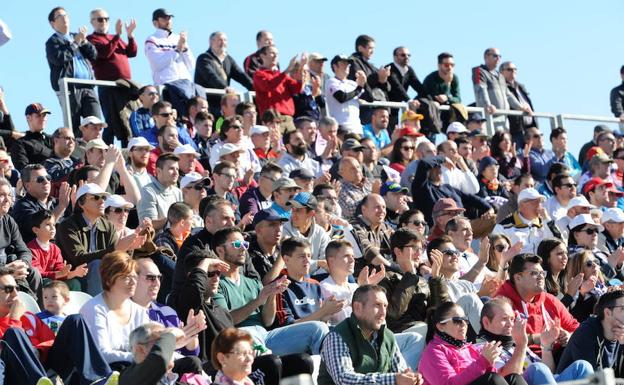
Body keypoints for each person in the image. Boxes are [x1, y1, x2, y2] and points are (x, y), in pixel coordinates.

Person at [212, 227, 330, 356]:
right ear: (220, 250)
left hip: (265, 335)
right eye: (237, 244)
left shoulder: (253, 282)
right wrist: (258, 300)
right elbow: (226, 320)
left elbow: (268, 321)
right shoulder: (215, 284)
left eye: (245, 244)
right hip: (240, 337)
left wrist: (272, 294)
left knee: (319, 329)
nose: (243, 248)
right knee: (263, 353)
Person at [0, 267, 119, 385]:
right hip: (17, 372)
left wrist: (38, 350)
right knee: (13, 333)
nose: (16, 294)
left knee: (75, 320)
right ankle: (38, 381)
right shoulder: (18, 315)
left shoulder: (29, 316)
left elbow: (50, 341)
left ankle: (97, 379)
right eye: (8, 289)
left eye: (17, 288)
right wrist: (14, 319)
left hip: (45, 366)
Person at [318, 284, 423, 385]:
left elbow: (400, 372)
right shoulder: (337, 336)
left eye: (385, 306)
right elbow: (344, 379)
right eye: (377, 305)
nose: (383, 312)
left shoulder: (388, 336)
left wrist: (410, 379)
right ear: (358, 308)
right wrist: (394, 380)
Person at [478, 297, 594, 385]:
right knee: (537, 368)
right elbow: (508, 378)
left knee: (582, 366)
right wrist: (521, 345)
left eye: (512, 319)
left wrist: (546, 346)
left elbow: (549, 373)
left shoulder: (515, 344)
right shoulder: (483, 348)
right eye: (504, 319)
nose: (510, 324)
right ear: (486, 322)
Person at [56, 183, 145, 295]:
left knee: (141, 266)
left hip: (104, 276)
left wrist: (129, 248)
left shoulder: (108, 225)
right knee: (97, 264)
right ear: (81, 203)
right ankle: (97, 308)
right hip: (75, 277)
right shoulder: (68, 225)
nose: (102, 201)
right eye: (96, 197)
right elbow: (79, 259)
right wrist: (116, 249)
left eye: (103, 197)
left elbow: (116, 259)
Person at [420, 301, 526, 385]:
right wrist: (483, 361)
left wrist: (490, 363)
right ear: (441, 326)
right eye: (457, 320)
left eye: (465, 320)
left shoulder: (468, 348)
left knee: (513, 378)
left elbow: (489, 374)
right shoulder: (434, 351)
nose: (463, 324)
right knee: (492, 379)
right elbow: (448, 383)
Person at [495, 253, 579, 355]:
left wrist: (569, 336)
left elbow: (576, 328)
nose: (541, 277)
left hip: (556, 356)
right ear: (518, 278)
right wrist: (535, 338)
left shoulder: (549, 300)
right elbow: (500, 338)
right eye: (534, 273)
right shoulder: (501, 303)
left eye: (542, 273)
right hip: (522, 362)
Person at [132, 257, 206, 372]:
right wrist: (171, 344)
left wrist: (192, 334)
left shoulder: (167, 311)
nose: (157, 283)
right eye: (151, 278)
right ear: (134, 279)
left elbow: (190, 353)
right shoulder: (125, 312)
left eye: (159, 278)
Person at [80, 251, 151, 370]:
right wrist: (138, 358)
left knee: (191, 362)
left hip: (135, 369)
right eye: (126, 277)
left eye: (134, 277)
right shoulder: (94, 309)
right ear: (108, 280)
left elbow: (149, 348)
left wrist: (172, 344)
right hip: (109, 372)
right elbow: (102, 354)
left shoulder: (139, 312)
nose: (133, 282)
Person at [45, 7, 102, 136]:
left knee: (95, 122)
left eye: (66, 15)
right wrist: (76, 43)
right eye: (59, 16)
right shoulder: (52, 42)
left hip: (88, 86)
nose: (64, 18)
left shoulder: (76, 36)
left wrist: (85, 41)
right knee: (74, 125)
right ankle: (77, 153)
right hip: (70, 88)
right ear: (52, 23)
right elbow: (59, 59)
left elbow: (93, 55)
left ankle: (96, 150)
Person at [86, 8, 138, 145]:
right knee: (112, 122)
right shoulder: (91, 39)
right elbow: (103, 54)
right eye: (100, 19)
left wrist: (130, 36)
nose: (104, 22)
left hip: (125, 86)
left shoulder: (114, 38)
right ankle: (105, 154)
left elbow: (132, 52)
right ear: (92, 22)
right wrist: (117, 36)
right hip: (109, 87)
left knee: (128, 121)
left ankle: (128, 153)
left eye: (106, 19)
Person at [557, 289, 624, 376]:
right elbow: (592, 379)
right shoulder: (586, 333)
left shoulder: (621, 336)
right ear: (608, 313)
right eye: (623, 308)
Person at [145, 8, 196, 117]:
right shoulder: (152, 40)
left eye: (170, 18)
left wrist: (184, 48)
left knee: (192, 120)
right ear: (155, 22)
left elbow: (191, 65)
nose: (168, 20)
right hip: (168, 89)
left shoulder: (178, 38)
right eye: (164, 18)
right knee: (175, 120)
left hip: (186, 87)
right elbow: (158, 64)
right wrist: (177, 50)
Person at [194, 31, 253, 117]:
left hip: (223, 104)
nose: (223, 43)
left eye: (225, 40)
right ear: (211, 42)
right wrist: (224, 87)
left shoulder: (228, 59)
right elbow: (211, 76)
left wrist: (255, 87)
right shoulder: (203, 58)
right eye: (220, 40)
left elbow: (241, 76)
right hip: (208, 103)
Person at [29, 210, 87, 291]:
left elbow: (60, 269)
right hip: (41, 284)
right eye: (48, 224)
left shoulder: (55, 249)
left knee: (74, 283)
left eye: (53, 224)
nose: (53, 228)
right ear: (36, 230)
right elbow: (38, 274)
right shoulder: (31, 249)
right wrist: (60, 273)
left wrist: (72, 273)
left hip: (55, 281)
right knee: (48, 282)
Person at [11, 164, 70, 243]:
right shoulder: (22, 207)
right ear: (28, 186)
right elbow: (40, 229)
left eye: (48, 178)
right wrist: (61, 207)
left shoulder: (57, 202)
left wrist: (76, 205)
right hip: (35, 253)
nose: (46, 182)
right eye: (40, 179)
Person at [121, 323, 190, 385]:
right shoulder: (129, 378)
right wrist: (171, 334)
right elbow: (159, 360)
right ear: (141, 349)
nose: (169, 346)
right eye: (161, 341)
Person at [492, 188, 555, 254]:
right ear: (522, 205)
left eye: (540, 202)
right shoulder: (502, 227)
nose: (539, 206)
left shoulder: (545, 223)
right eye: (535, 202)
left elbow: (558, 242)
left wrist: (547, 220)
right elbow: (496, 254)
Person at [253, 45, 303, 127]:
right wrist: (287, 71)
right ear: (262, 56)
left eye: (277, 53)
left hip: (288, 118)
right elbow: (268, 86)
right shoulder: (259, 74)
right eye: (272, 53)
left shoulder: (281, 75)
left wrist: (300, 73)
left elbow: (296, 89)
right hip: (272, 119)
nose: (276, 56)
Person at [345, 194, 394, 275]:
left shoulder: (384, 226)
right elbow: (373, 257)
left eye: (384, 207)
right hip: (361, 280)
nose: (382, 211)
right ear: (364, 209)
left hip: (382, 275)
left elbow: (401, 248)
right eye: (377, 207)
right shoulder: (355, 226)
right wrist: (397, 269)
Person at [282, 193, 331, 273]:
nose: (293, 214)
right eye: (292, 209)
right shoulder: (284, 231)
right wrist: (318, 263)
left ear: (311, 213)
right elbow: (290, 265)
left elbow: (326, 263)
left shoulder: (321, 233)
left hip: (317, 279)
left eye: (298, 210)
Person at [347, 34, 391, 123]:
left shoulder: (371, 66)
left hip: (377, 107)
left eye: (373, 48)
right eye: (370, 48)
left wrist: (383, 80)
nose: (372, 51)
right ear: (360, 48)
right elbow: (359, 82)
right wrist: (377, 77)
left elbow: (388, 88)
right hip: (365, 108)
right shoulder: (353, 62)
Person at [567, 214, 624, 281]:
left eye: (596, 231)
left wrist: (618, 264)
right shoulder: (574, 256)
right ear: (576, 234)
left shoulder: (599, 251)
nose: (595, 234)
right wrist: (610, 265)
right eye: (590, 231)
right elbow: (594, 282)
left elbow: (618, 279)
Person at [138, 152, 183, 231]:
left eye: (177, 169)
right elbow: (148, 225)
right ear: (158, 171)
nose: (176, 173)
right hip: (158, 241)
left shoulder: (177, 192)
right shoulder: (148, 191)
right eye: (171, 169)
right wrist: (173, 219)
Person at [325, 55, 368, 134]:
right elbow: (341, 98)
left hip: (356, 128)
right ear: (335, 66)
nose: (347, 66)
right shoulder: (331, 81)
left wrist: (364, 82)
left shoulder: (353, 83)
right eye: (343, 63)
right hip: (341, 128)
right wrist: (359, 88)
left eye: (348, 64)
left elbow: (369, 98)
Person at [499, 61, 536, 145]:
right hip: (515, 129)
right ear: (501, 72)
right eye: (509, 69)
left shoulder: (521, 87)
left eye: (515, 69)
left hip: (529, 128)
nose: (513, 71)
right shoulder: (501, 87)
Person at [564, 250, 606, 322]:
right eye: (589, 263)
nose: (594, 265)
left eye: (596, 261)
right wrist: (582, 294)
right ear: (578, 269)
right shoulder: (574, 291)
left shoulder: (602, 287)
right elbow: (573, 317)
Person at [10, 103, 54, 171]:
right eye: (39, 115)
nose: (43, 119)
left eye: (44, 115)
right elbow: (24, 171)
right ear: (28, 118)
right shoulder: (21, 144)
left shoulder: (54, 139)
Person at [45, 127, 82, 197]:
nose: (72, 142)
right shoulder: (49, 163)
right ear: (56, 140)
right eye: (67, 138)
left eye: (73, 139)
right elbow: (55, 180)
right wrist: (77, 168)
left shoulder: (78, 162)